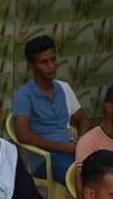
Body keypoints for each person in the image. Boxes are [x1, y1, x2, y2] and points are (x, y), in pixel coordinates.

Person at [12, 35, 90, 183]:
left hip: (71, 150)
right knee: (82, 177)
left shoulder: (63, 87)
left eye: (53, 60)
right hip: (44, 159)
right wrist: (63, 148)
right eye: (44, 62)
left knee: (105, 167)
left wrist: (81, 143)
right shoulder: (24, 95)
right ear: (31, 65)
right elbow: (23, 135)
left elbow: (83, 120)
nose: (51, 66)